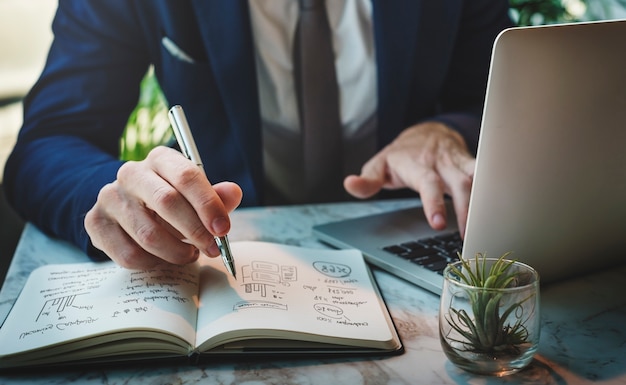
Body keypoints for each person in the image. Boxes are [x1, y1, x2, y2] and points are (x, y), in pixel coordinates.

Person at [3, 0, 513, 269]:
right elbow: (50, 139)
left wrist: (447, 131)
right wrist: (116, 196)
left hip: (415, 240)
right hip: (231, 260)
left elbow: (498, 95)